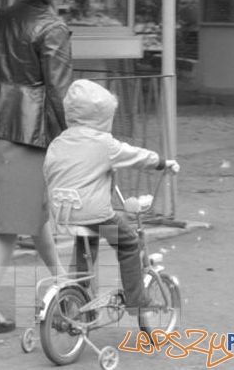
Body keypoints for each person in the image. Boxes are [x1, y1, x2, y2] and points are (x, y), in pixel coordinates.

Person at [0, 0, 74, 335]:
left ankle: (65, 285)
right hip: (30, 131)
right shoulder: (53, 27)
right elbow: (59, 91)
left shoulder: (5, 17)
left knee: (30, 213)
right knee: (13, 223)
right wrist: (74, 138)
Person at [44, 79, 180, 313]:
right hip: (94, 212)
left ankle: (79, 295)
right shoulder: (104, 143)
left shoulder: (59, 141)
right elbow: (135, 156)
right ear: (101, 117)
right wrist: (161, 163)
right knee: (128, 241)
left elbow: (49, 169)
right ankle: (136, 300)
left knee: (86, 243)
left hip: (63, 212)